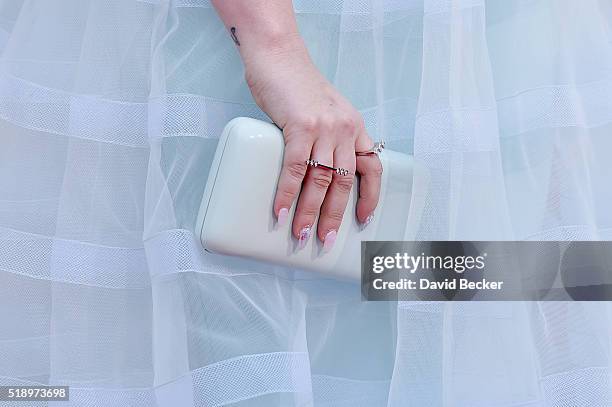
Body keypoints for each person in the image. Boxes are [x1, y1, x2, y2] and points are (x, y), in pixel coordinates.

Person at [0, 0, 611, 406]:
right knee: (227, 338)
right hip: (284, 44)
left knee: (489, 310)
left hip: (489, 55)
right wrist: (274, 44)